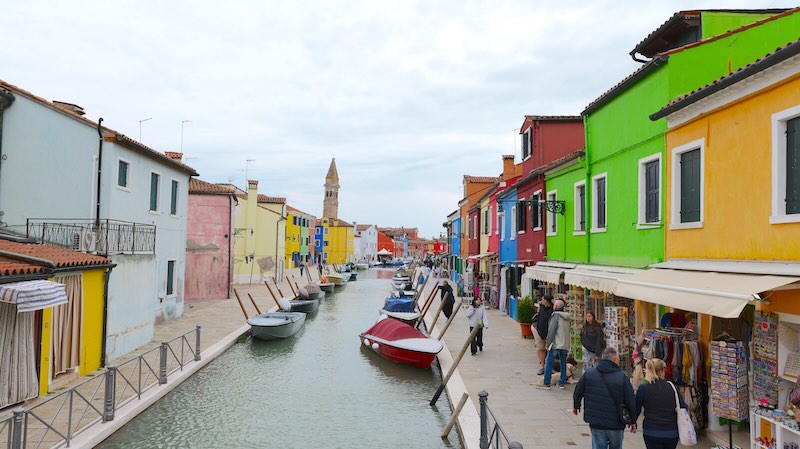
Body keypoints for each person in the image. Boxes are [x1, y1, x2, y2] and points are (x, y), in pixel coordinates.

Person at [573, 347, 637, 449]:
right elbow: (630, 400)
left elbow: (578, 391)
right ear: (615, 359)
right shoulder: (622, 378)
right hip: (616, 423)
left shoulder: (589, 374)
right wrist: (633, 420)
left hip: (596, 422)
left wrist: (576, 405)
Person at [635, 358, 688, 449]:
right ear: (660, 371)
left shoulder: (643, 388)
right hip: (671, 432)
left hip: (651, 431)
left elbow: (636, 408)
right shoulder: (672, 387)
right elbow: (683, 407)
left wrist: (633, 421)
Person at [538, 299, 570, 390]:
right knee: (563, 362)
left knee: (549, 362)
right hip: (564, 343)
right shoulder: (567, 317)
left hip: (556, 343)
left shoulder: (555, 316)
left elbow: (552, 330)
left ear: (555, 307)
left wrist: (548, 343)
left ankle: (547, 383)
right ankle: (562, 382)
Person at [533, 295, 554, 375]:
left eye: (543, 299)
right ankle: (542, 367)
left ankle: (549, 367)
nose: (541, 301)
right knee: (541, 349)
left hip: (549, 333)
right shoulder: (541, 307)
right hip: (539, 331)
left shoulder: (552, 310)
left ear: (546, 301)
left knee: (550, 350)